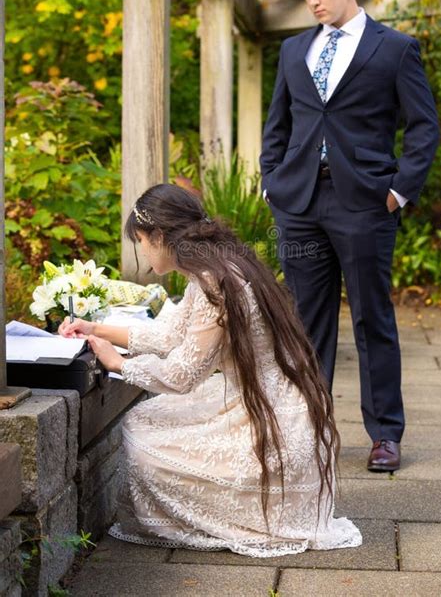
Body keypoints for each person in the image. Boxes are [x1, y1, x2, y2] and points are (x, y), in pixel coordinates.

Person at [59, 184, 361, 557]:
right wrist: (96, 329)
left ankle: (232, 516)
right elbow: (171, 335)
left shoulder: (214, 283)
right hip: (272, 406)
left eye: (141, 241)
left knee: (142, 440)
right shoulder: (218, 267)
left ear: (159, 235)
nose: (142, 251)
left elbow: (182, 375)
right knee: (147, 418)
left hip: (274, 425)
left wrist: (118, 363)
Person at [260, 0, 439, 473]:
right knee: (305, 323)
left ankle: (384, 434)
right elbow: (279, 125)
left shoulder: (395, 49)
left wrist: (398, 190)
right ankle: (309, 429)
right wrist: (273, 182)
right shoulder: (295, 52)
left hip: (364, 202)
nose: (312, 1)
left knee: (371, 318)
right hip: (300, 202)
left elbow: (424, 127)